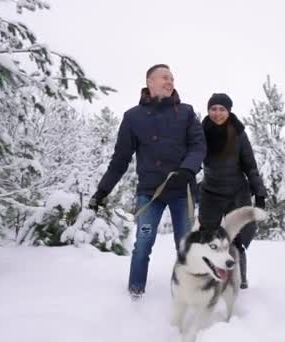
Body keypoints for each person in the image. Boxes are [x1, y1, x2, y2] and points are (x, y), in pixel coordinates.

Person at [88, 64, 206, 300]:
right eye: (164, 77)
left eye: (172, 78)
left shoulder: (186, 112)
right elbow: (120, 159)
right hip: (150, 193)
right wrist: (101, 192)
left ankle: (187, 293)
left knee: (185, 246)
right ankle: (135, 294)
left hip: (182, 192)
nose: (170, 81)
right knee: (143, 243)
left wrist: (187, 169)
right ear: (149, 82)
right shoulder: (133, 117)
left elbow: (198, 146)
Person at [198, 93, 267, 289]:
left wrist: (259, 193)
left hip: (237, 192)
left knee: (237, 238)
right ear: (208, 110)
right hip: (210, 192)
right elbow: (194, 157)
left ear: (229, 111)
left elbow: (250, 166)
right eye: (213, 109)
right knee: (208, 237)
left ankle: (239, 279)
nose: (217, 113)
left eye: (222, 109)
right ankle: (209, 277)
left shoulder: (238, 133)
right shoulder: (200, 132)